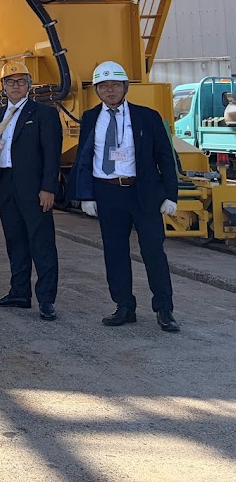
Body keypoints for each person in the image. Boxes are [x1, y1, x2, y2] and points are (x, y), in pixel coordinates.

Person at [66, 61, 181, 332]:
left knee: (153, 252)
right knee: (115, 252)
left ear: (125, 87)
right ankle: (124, 306)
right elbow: (85, 157)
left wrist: (171, 195)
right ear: (96, 90)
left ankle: (164, 309)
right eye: (104, 86)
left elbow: (165, 157)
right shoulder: (91, 118)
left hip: (143, 194)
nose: (110, 90)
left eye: (115, 85)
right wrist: (86, 195)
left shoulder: (147, 117)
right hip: (108, 193)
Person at [0, 61, 62, 321]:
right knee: (15, 241)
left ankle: (46, 300)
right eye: (10, 82)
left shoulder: (43, 113)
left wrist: (48, 187)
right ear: (3, 86)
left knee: (42, 244)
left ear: (29, 85)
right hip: (7, 184)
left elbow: (52, 154)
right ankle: (19, 292)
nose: (15, 86)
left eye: (21, 82)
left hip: (34, 187)